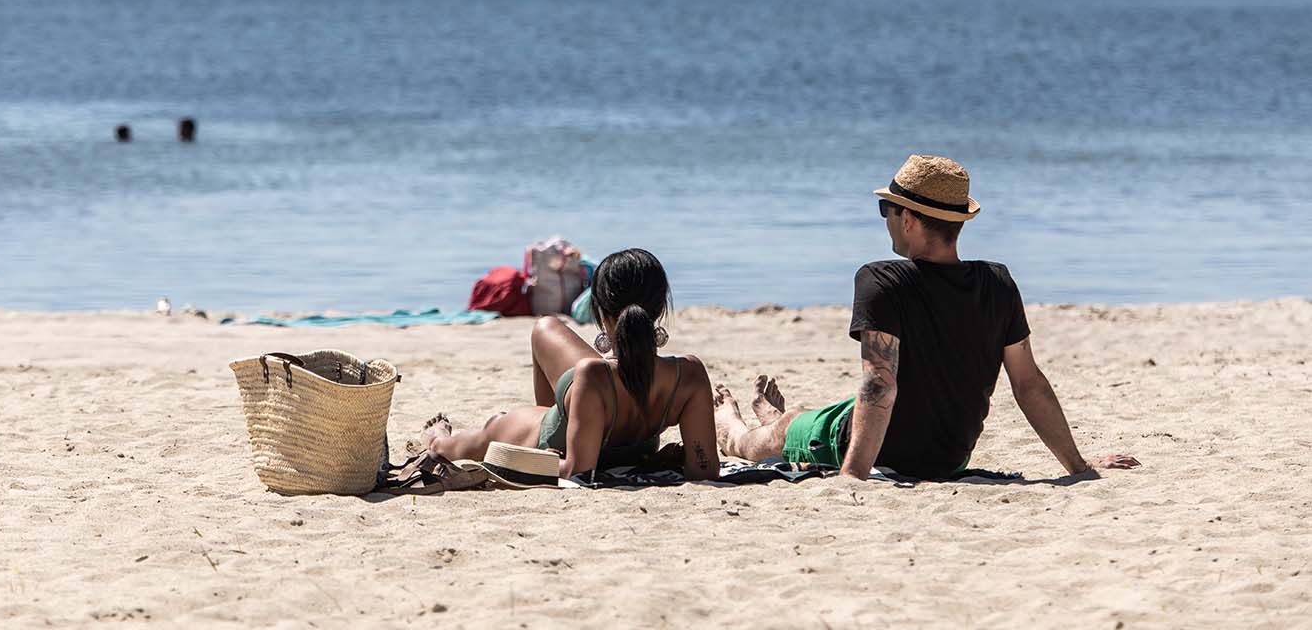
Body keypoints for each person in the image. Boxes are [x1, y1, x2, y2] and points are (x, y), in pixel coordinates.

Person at [714, 154, 1140, 480]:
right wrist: (1077, 466)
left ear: (910, 219)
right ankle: (781, 417)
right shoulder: (999, 283)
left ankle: (736, 424)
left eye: (888, 212)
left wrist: (852, 477)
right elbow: (1029, 384)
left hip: (883, 450)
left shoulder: (880, 280)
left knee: (770, 439)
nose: (887, 223)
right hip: (950, 455)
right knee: (816, 417)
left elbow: (879, 383)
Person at [422, 248, 720, 481]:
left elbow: (576, 472)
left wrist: (551, 460)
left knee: (477, 434)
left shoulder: (594, 374)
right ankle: (555, 412)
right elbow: (705, 471)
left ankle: (437, 439)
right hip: (631, 444)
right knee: (547, 328)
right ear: (660, 308)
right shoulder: (689, 374)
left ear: (600, 311)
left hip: (551, 438)